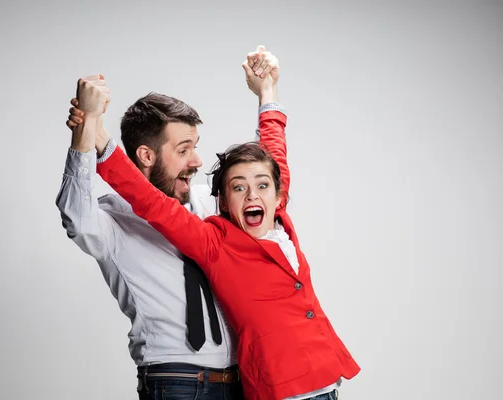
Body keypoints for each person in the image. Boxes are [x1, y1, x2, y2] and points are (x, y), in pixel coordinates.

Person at [73, 57, 361, 400]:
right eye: (238, 187)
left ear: (278, 192)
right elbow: (152, 204)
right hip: (270, 386)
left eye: (263, 186)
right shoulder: (214, 240)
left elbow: (273, 155)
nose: (253, 193)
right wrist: (97, 132)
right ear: (223, 202)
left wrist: (266, 91)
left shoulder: (278, 215)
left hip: (324, 376)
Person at [57, 47, 282, 399]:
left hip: (242, 381)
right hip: (175, 381)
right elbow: (76, 218)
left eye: (195, 146)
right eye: (183, 149)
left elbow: (266, 179)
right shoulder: (114, 217)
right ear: (146, 155)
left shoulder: (210, 203)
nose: (197, 160)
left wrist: (267, 94)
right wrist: (86, 129)